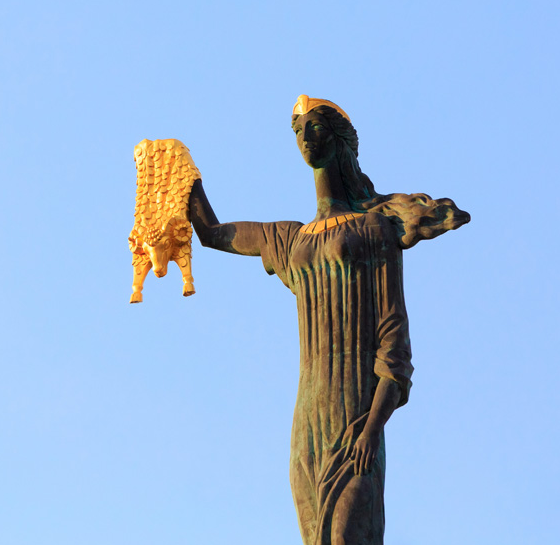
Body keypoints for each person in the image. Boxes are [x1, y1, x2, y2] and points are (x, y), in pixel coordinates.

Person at [187, 95, 469, 545]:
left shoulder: (373, 229)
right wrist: (180, 172)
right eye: (297, 130)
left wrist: (373, 427)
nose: (303, 137)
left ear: (340, 141)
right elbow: (211, 234)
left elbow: (393, 341)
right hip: (309, 418)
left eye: (313, 127)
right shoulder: (288, 240)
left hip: (357, 411)